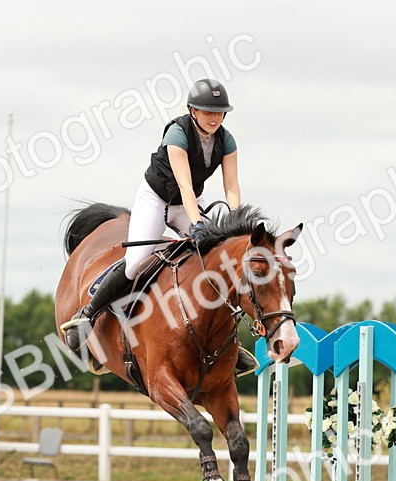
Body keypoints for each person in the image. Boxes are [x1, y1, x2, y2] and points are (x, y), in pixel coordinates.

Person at [63, 78, 254, 373]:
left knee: (214, 261)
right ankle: (86, 315)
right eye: (208, 112)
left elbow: (232, 185)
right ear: (192, 111)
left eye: (219, 113)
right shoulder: (177, 134)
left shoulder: (227, 141)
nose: (214, 118)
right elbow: (185, 184)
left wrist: (234, 220)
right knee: (136, 261)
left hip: (187, 203)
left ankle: (227, 342)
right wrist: (197, 223)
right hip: (156, 200)